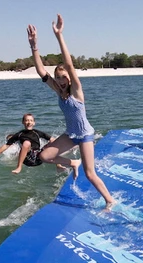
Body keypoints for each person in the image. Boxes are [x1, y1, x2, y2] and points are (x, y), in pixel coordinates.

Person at [27, 14, 115, 210]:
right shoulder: (59, 91)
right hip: (71, 134)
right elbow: (41, 71)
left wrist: (59, 35)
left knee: (90, 173)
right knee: (44, 156)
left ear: (69, 77)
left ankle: (110, 201)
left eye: (63, 77)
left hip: (84, 135)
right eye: (58, 77)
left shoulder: (76, 91)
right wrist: (34, 46)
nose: (60, 80)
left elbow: (70, 65)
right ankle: (72, 162)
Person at [0, 113, 65, 174]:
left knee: (52, 143)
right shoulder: (20, 134)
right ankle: (19, 167)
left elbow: (53, 140)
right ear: (23, 122)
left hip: (39, 158)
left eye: (31, 120)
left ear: (34, 123)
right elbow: (6, 146)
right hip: (28, 159)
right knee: (26, 143)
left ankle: (58, 165)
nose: (29, 122)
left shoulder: (37, 132)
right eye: (26, 120)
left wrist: (65, 145)